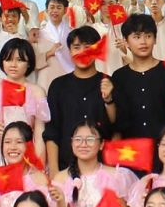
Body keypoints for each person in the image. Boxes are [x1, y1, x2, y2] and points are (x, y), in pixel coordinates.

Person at [43, 27, 117, 172]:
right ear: (70, 51)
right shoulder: (58, 86)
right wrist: (54, 172)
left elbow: (116, 126)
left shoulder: (109, 83)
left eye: (88, 47)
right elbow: (52, 131)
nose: (82, 52)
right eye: (76, 47)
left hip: (102, 168)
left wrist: (109, 99)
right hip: (66, 167)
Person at [0, 36, 50, 170]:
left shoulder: (37, 92)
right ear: (2, 62)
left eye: (19, 60)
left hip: (28, 158)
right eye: (8, 59)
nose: (13, 65)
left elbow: (39, 136)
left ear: (29, 63)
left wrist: (38, 168)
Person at [111, 14, 165, 143]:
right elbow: (117, 121)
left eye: (148, 36)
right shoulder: (119, 77)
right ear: (126, 41)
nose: (143, 42)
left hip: (164, 147)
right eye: (137, 37)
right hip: (131, 149)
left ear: (155, 39)